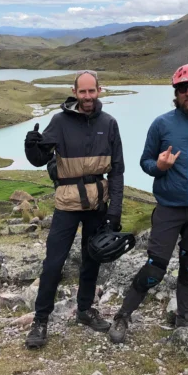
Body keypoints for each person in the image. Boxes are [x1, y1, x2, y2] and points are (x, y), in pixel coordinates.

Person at [108, 63, 188, 344]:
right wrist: (160, 166)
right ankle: (122, 316)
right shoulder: (162, 124)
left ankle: (184, 318)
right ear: (175, 94)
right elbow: (145, 162)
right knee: (155, 269)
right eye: (181, 89)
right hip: (169, 209)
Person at [23, 70, 125, 349]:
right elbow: (40, 158)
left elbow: (117, 170)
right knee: (54, 262)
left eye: (92, 91)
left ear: (99, 91)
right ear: (75, 92)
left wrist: (115, 210)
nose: (88, 97)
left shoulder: (109, 123)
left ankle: (84, 310)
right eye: (83, 92)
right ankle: (40, 320)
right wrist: (31, 147)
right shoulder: (59, 121)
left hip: (97, 204)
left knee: (92, 259)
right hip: (67, 203)